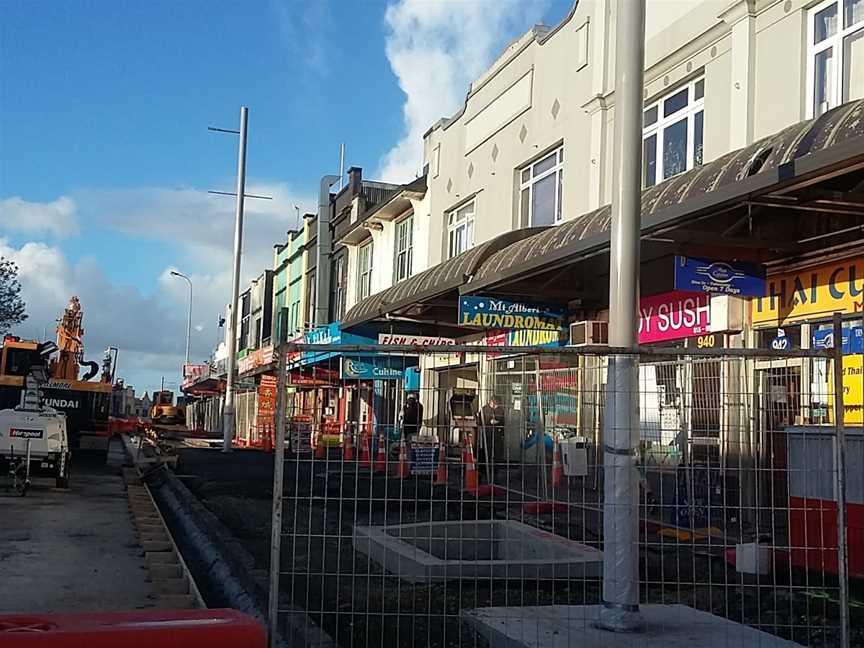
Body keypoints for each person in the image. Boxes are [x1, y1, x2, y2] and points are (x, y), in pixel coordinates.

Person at [477, 395, 505, 483]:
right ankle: (486, 473)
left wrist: (501, 430)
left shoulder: (500, 410)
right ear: (491, 402)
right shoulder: (484, 410)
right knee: (487, 454)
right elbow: (480, 422)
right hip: (487, 435)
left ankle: (495, 474)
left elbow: (503, 422)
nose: (496, 406)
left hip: (497, 435)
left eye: (497, 405)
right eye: (495, 404)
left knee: (497, 455)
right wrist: (489, 422)